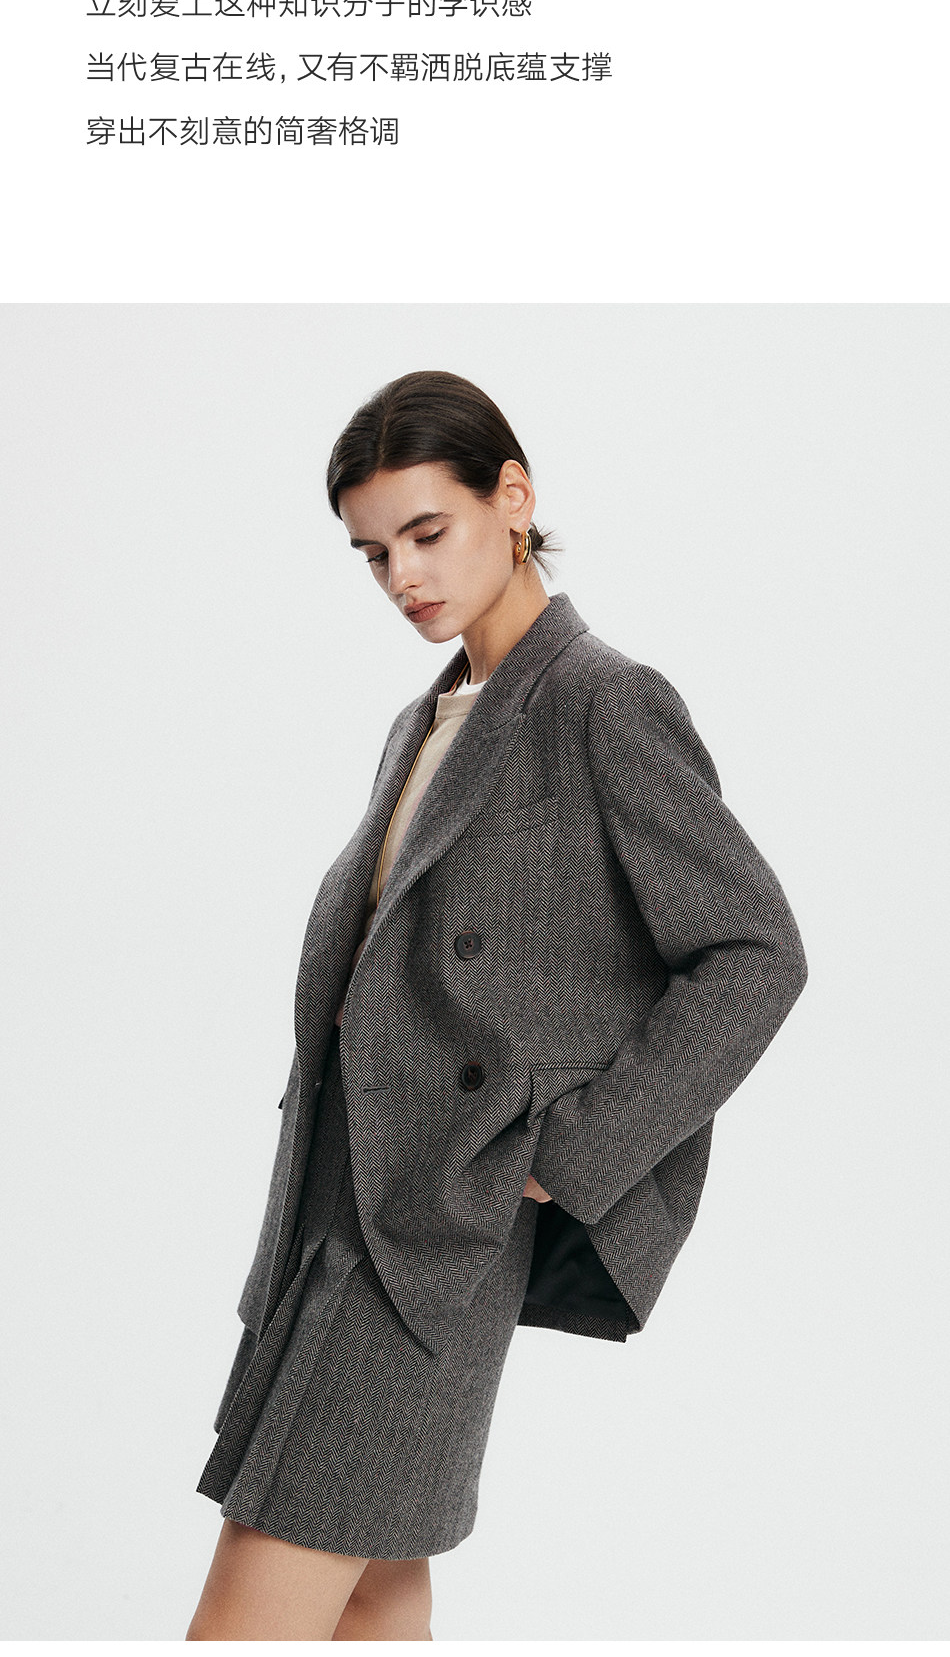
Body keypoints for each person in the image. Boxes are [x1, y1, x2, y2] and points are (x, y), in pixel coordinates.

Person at [187, 369, 807, 1641]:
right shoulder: (424, 720)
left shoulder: (601, 700)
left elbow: (754, 951)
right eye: (373, 553)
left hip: (430, 1231)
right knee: (372, 1594)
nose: (402, 576)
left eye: (427, 532)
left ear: (511, 497)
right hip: (336, 1206)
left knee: (254, 1605)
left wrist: (564, 1155)